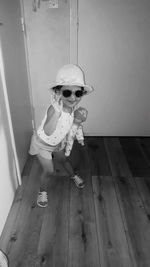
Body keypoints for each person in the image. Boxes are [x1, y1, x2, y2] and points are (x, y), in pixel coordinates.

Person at [29, 64, 94, 207]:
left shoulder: (72, 107)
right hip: (43, 144)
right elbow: (48, 131)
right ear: (58, 92)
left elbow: (66, 126)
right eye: (67, 93)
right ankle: (42, 191)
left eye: (78, 93)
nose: (73, 98)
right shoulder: (55, 109)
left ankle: (73, 175)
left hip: (57, 142)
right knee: (49, 170)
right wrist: (57, 113)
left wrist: (76, 123)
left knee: (64, 160)